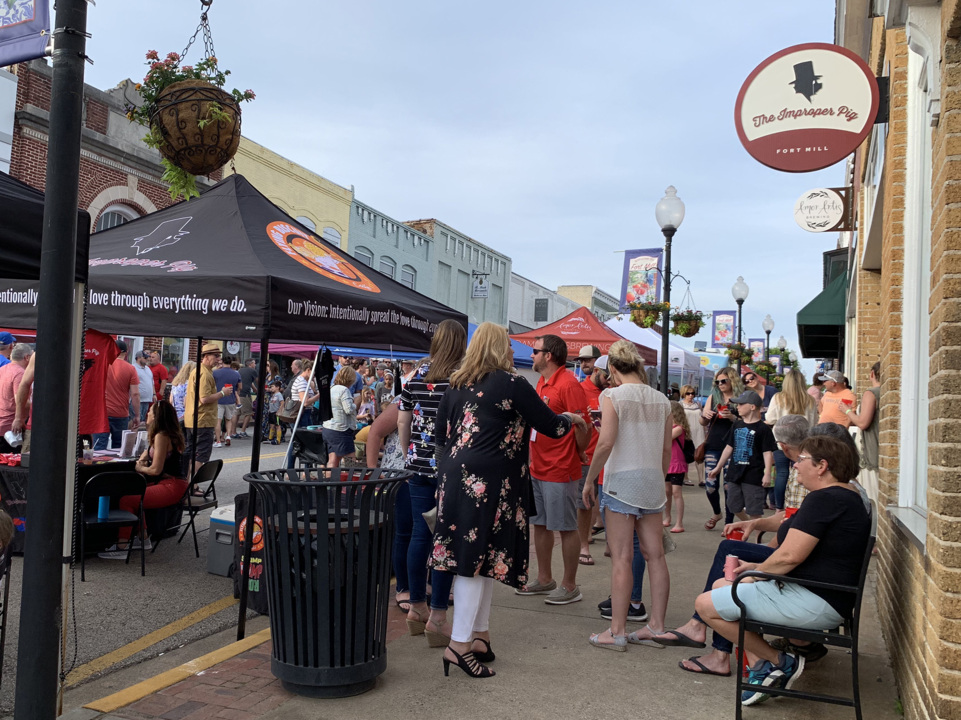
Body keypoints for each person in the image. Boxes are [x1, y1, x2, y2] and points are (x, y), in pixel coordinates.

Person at [432, 322, 586, 677]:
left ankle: (479, 635)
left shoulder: (456, 383)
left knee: (481, 558)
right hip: (491, 481)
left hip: (457, 477)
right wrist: (573, 418)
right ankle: (458, 645)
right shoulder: (512, 383)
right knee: (474, 559)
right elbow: (552, 426)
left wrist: (446, 478)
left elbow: (441, 437)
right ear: (501, 348)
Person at [695, 435, 870, 706]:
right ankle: (761, 665)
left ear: (822, 466)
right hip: (824, 595)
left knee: (705, 605)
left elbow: (789, 556)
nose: (796, 465)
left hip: (816, 602)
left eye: (802, 460)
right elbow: (808, 554)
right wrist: (755, 566)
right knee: (720, 586)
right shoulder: (843, 496)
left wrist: (755, 574)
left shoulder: (826, 499)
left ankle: (778, 662)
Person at [668, 414, 813, 676]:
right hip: (798, 559)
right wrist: (755, 524)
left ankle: (714, 644)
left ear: (783, 446)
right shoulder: (811, 474)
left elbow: (795, 531)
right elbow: (792, 518)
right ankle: (708, 635)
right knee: (731, 558)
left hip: (798, 567)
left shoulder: (807, 474)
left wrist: (764, 556)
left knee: (729, 559)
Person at [581, 339, 672, 651]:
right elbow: (664, 449)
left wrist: (590, 480)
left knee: (622, 557)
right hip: (652, 482)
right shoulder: (662, 400)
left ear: (614, 369)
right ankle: (657, 627)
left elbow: (605, 443)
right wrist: (659, 481)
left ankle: (617, 631)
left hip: (622, 480)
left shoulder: (613, 395)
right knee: (655, 556)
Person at [398, 319, 467, 646]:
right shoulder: (462, 379)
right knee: (444, 540)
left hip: (418, 466)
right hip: (450, 468)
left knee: (418, 534)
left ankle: (416, 607)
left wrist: (409, 454)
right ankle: (438, 617)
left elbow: (403, 419)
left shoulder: (415, 376)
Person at [515, 333, 591, 606]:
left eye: (536, 351)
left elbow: (585, 426)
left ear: (549, 355)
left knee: (566, 527)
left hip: (559, 468)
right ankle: (545, 578)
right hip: (539, 465)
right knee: (541, 524)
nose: (532, 355)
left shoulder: (569, 384)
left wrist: (579, 451)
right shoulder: (543, 383)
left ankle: (570, 585)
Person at [99, 399, 187, 558]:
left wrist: (140, 467)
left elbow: (155, 470)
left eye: (151, 412)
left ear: (157, 416)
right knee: (135, 494)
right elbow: (152, 458)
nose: (148, 414)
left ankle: (122, 546)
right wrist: (145, 455)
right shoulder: (165, 434)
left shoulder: (162, 436)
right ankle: (143, 538)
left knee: (127, 500)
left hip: (172, 486)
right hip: (174, 483)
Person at [365, 398, 410, 611]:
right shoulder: (406, 398)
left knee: (426, 533)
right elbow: (375, 431)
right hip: (401, 475)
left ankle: (421, 585)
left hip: (425, 475)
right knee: (405, 532)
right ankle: (403, 587)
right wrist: (374, 471)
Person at [707, 390, 775, 523]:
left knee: (754, 511)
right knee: (733, 505)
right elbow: (729, 447)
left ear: (752, 407)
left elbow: (767, 452)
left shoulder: (763, 429)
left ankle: (756, 540)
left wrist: (767, 473)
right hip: (735, 473)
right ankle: (747, 524)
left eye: (741, 404)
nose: (737, 407)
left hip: (753, 474)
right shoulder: (737, 425)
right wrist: (718, 467)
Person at [765, 369, 818, 510]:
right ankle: (800, 504)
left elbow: (769, 418)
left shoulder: (778, 398)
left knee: (782, 473)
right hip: (803, 443)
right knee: (801, 472)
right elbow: (813, 422)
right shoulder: (810, 400)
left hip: (782, 441)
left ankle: (779, 507)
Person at [700, 367, 741, 530]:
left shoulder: (741, 398)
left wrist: (732, 417)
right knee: (710, 484)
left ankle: (728, 523)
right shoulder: (713, 397)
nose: (720, 384)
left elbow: (746, 421)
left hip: (733, 445)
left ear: (732, 381)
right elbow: (703, 422)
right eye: (718, 381)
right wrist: (704, 416)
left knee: (728, 486)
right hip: (714, 445)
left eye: (724, 381)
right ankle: (717, 512)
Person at [576, 355, 609, 566]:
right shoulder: (580, 389)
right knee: (585, 503)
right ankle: (584, 545)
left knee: (606, 503)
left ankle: (609, 543)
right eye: (606, 375)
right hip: (588, 455)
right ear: (597, 371)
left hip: (608, 456)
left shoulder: (612, 392)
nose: (609, 379)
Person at [182, 344, 223, 479]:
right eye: (215, 356)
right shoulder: (204, 373)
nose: (218, 359)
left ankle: (186, 482)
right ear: (206, 356)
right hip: (202, 421)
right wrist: (222, 393)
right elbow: (204, 399)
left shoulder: (197, 371)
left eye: (219, 356)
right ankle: (192, 485)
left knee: (191, 453)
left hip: (192, 419)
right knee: (200, 455)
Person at [94, 341, 141, 450]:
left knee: (99, 448)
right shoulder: (130, 369)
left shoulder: (100, 365)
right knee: (119, 448)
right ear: (126, 352)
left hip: (102, 413)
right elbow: (135, 394)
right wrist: (137, 415)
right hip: (120, 413)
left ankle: (98, 467)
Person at [846, 362, 881, 501]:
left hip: (871, 451)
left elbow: (862, 423)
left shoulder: (871, 393)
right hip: (884, 451)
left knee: (871, 498)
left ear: (872, 374)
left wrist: (847, 411)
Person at [321, 366, 359, 467]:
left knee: (332, 460)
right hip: (341, 429)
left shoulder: (330, 388)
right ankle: (350, 482)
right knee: (350, 460)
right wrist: (355, 404)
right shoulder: (344, 390)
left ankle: (330, 481)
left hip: (328, 428)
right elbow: (348, 409)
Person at [663, 400, 690, 533]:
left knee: (676, 492)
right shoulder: (667, 426)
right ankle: (667, 516)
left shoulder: (679, 428)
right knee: (667, 491)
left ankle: (679, 522)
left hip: (677, 463)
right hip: (667, 462)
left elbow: (666, 438)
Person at [0, 344, 32, 452]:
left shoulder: (3, 369)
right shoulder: (20, 373)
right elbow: (20, 399)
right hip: (11, 430)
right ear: (27, 357)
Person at [213, 356, 241, 447]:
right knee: (228, 419)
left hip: (218, 399)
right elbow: (240, 386)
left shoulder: (215, 373)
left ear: (223, 362)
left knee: (218, 421)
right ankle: (228, 436)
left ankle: (218, 441)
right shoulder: (236, 374)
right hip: (231, 399)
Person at [680, 384, 705, 487]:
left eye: (692, 393)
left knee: (700, 454)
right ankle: (686, 477)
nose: (691, 395)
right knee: (686, 454)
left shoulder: (698, 404)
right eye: (688, 393)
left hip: (699, 431)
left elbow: (702, 417)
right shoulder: (680, 405)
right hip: (687, 432)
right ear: (683, 394)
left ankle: (701, 479)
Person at [237, 358, 258, 438]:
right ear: (250, 364)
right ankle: (243, 431)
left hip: (238, 394)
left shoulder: (241, 370)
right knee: (248, 413)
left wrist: (255, 390)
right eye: (254, 363)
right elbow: (258, 381)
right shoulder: (252, 371)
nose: (255, 365)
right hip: (245, 394)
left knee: (237, 413)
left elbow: (250, 382)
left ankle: (233, 432)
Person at [134, 351, 155, 424]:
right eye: (145, 357)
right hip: (138, 400)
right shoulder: (134, 368)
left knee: (143, 421)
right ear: (139, 358)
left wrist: (154, 394)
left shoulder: (148, 369)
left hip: (147, 400)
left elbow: (152, 382)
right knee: (136, 421)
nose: (147, 359)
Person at [266, 380, 283, 444]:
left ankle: (278, 439)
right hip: (271, 412)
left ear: (277, 387)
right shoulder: (273, 395)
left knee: (277, 425)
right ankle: (270, 438)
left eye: (272, 387)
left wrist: (279, 411)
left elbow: (282, 403)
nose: (271, 388)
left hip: (276, 412)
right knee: (272, 425)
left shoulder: (279, 395)